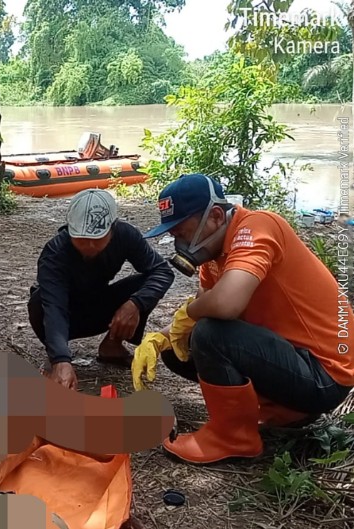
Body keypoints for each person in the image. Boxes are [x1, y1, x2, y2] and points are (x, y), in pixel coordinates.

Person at [134, 173, 354, 464]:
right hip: (293, 359)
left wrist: (187, 314)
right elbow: (203, 306)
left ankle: (233, 437)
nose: (179, 244)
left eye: (182, 233)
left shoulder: (258, 226)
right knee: (178, 350)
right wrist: (160, 338)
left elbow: (225, 304)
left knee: (210, 335)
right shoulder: (213, 258)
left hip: (325, 372)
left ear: (214, 216)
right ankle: (284, 409)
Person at [28, 188, 176, 390]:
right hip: (61, 318)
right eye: (81, 238)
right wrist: (61, 359)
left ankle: (112, 345)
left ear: (112, 230)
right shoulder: (54, 254)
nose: (89, 245)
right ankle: (57, 356)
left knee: (142, 285)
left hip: (97, 306)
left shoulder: (125, 235)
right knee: (38, 301)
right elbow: (54, 309)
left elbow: (162, 271)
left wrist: (134, 304)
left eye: (97, 238)